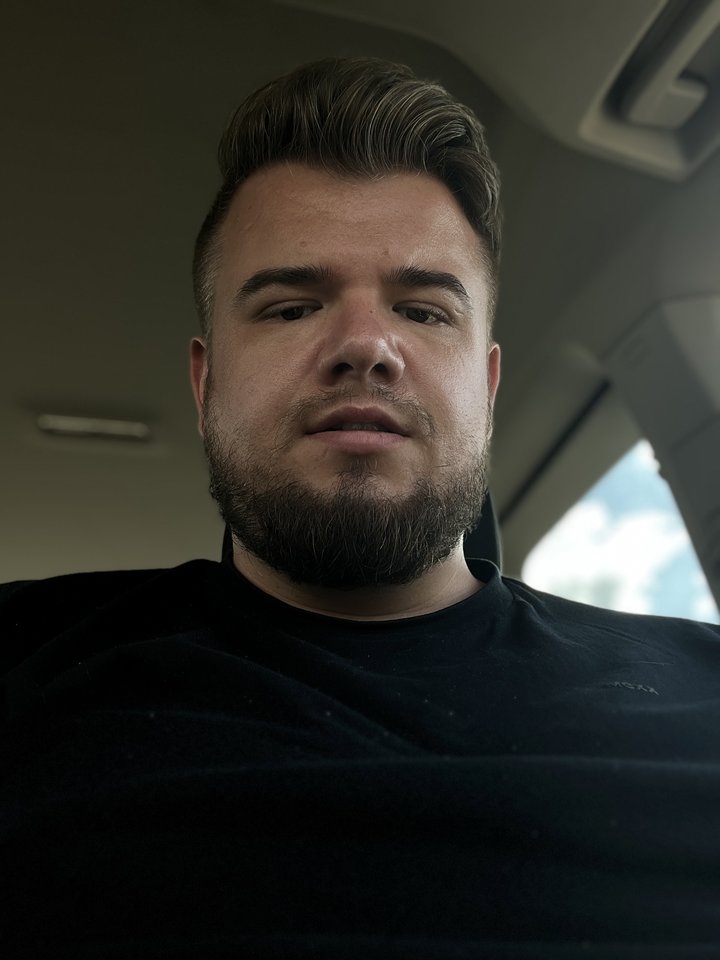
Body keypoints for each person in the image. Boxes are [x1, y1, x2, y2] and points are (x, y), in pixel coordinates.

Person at [1, 58, 719, 960]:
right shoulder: (23, 659)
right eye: (291, 307)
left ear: (487, 386)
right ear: (205, 383)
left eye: (424, 311)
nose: (366, 345)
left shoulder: (705, 690)